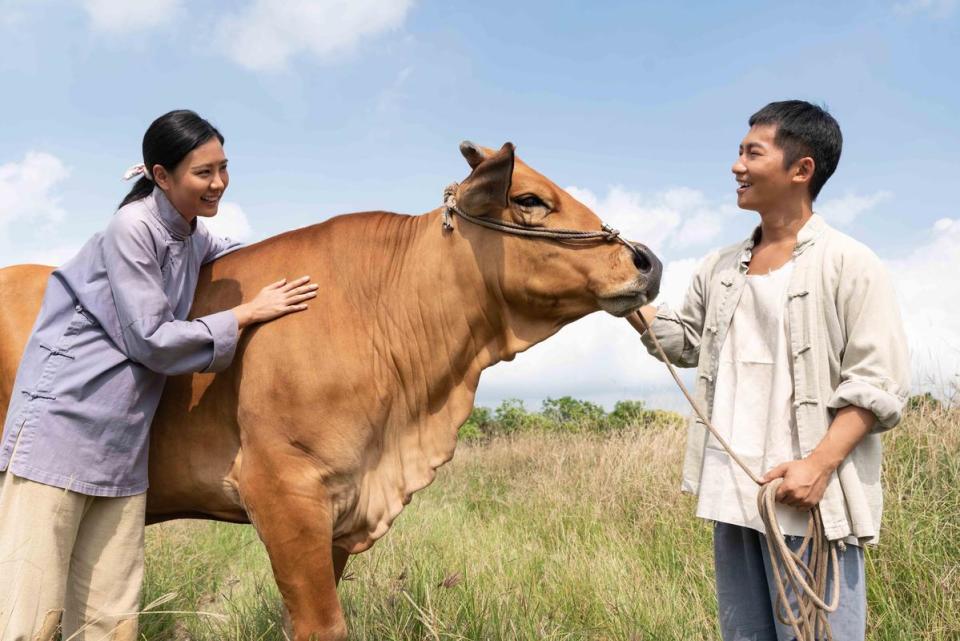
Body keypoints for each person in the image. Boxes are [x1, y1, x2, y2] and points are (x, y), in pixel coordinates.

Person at [0, 109, 319, 641]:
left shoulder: (192, 237)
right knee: (29, 616)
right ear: (161, 175)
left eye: (224, 168)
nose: (218, 183)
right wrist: (245, 313)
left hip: (121, 444)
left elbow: (242, 255)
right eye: (203, 172)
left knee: (110, 619)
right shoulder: (132, 229)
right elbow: (152, 340)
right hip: (60, 431)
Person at [628, 100, 909, 640]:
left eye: (752, 153)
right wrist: (621, 294)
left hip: (806, 500)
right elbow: (684, 344)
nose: (736, 166)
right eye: (738, 151)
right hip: (735, 495)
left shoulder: (850, 263)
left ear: (801, 170)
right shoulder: (720, 266)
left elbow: (877, 385)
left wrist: (819, 466)